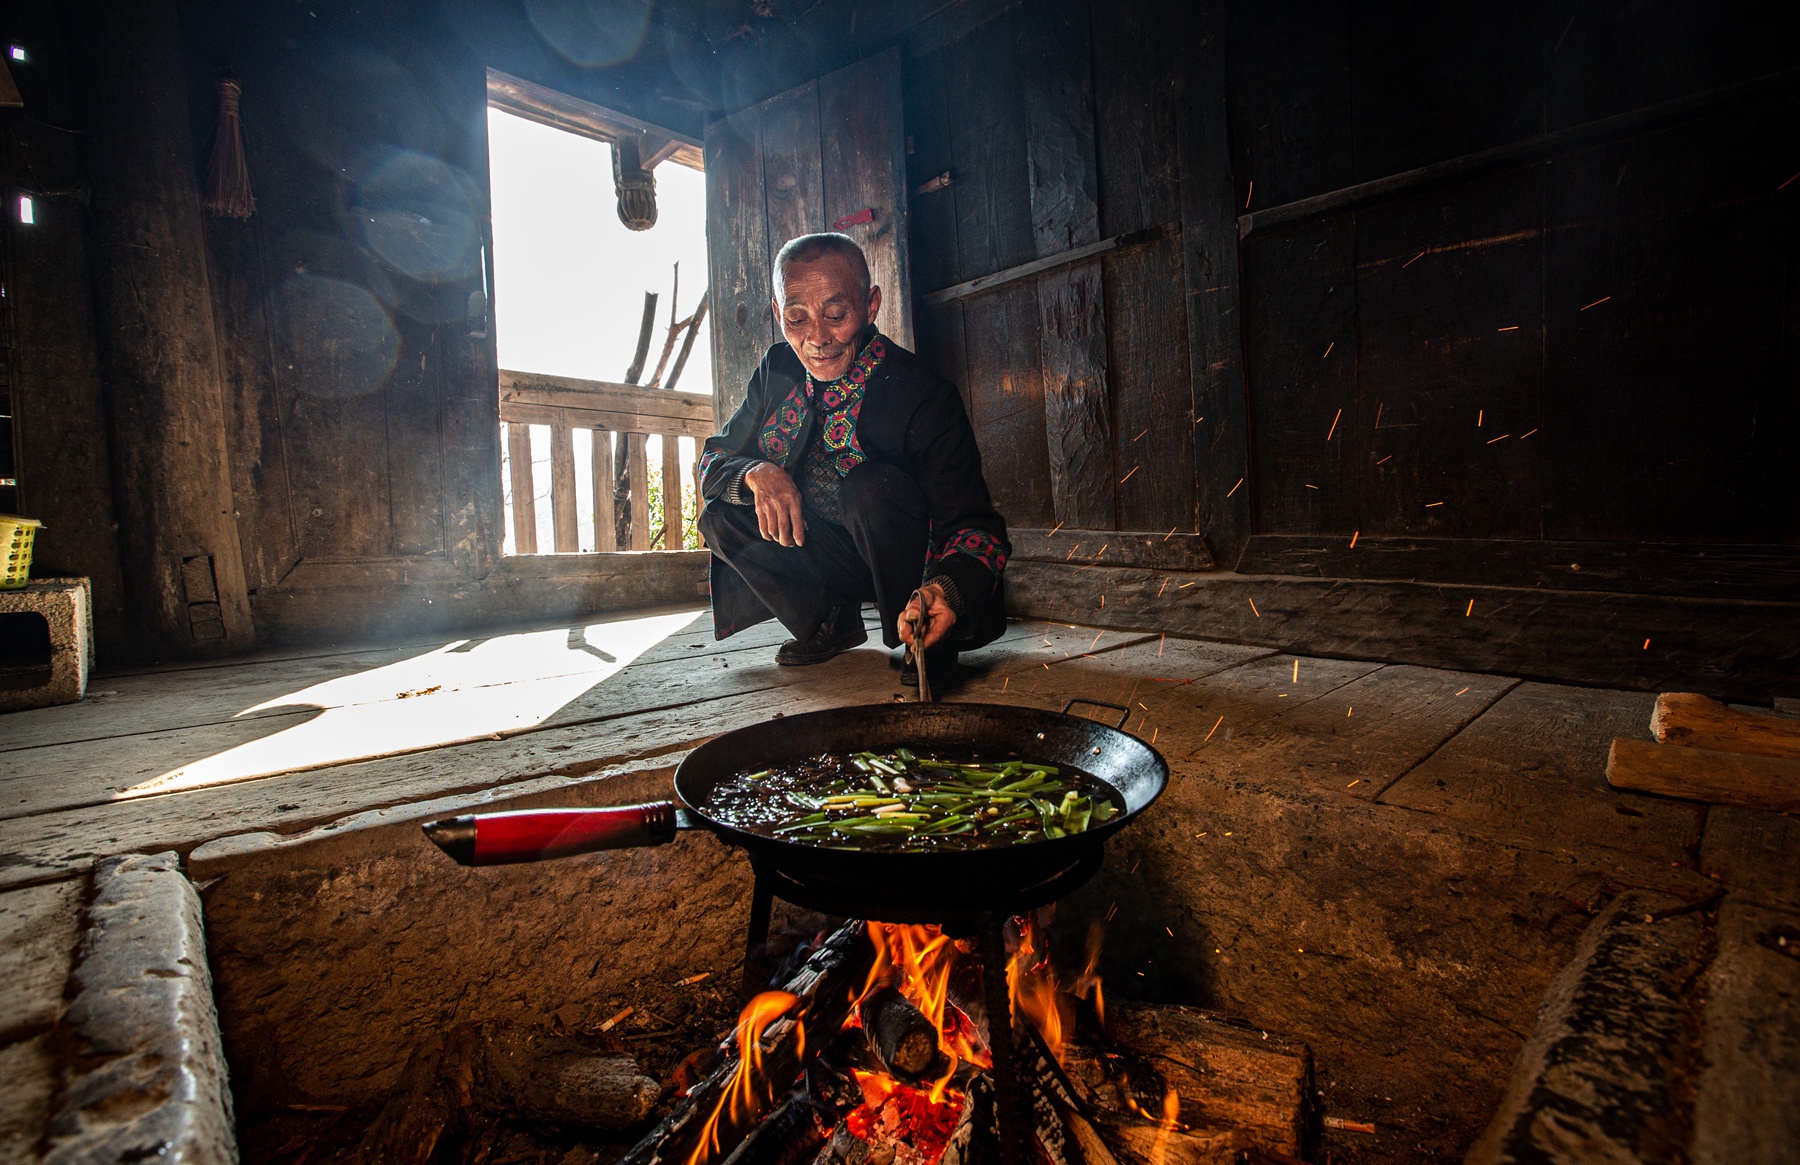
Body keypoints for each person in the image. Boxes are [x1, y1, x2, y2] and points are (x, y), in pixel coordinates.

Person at [697, 233, 1008, 684]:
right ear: (777, 314)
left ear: (871, 305)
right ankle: (827, 622)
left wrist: (945, 590)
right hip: (830, 559)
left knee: (869, 487)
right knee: (724, 509)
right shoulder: (776, 370)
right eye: (796, 319)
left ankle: (924, 637)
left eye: (836, 315)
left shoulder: (923, 393)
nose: (818, 339)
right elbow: (714, 459)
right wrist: (757, 472)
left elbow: (977, 531)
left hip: (911, 568)